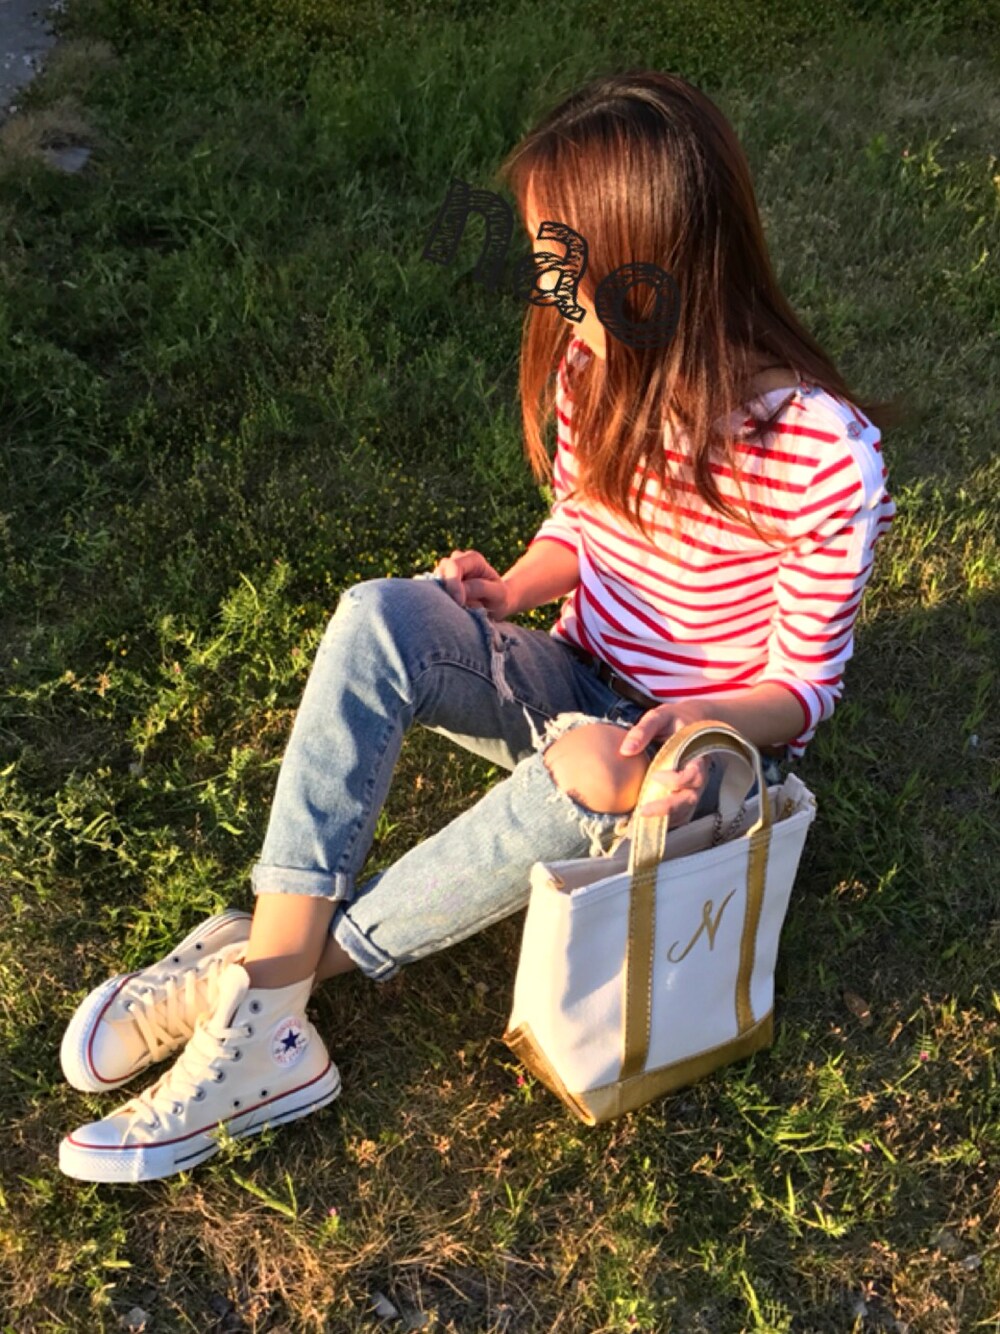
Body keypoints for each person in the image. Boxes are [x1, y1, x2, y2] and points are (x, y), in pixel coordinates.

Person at [57, 68, 898, 1183]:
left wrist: (678, 728)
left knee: (592, 767)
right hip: (578, 675)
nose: (545, 286)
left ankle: (259, 986)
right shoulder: (595, 364)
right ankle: (269, 996)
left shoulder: (822, 452)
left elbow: (801, 690)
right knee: (379, 617)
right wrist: (511, 589)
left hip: (705, 756)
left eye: (565, 260)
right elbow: (583, 524)